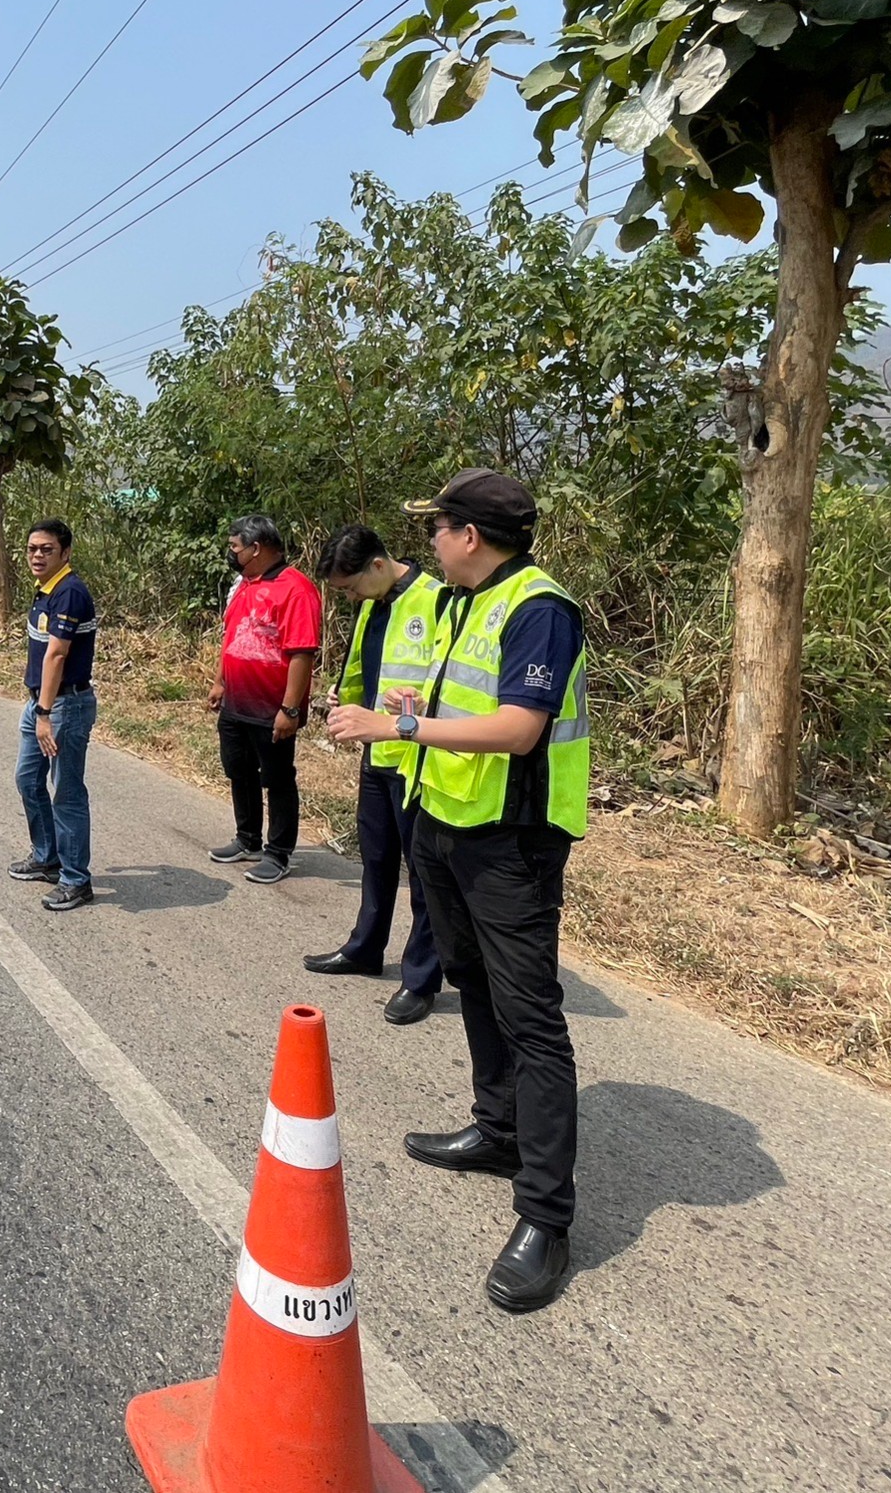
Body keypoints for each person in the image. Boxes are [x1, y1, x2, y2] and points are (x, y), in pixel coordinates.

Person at [325, 469, 588, 1314]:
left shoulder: (539, 607)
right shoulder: (458, 601)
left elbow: (519, 727)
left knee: (531, 1016)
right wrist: (418, 703)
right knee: (471, 981)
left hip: (511, 841)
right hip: (443, 816)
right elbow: (466, 704)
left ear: (469, 534)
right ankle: (498, 1128)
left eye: (436, 527)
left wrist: (396, 723)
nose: (429, 541)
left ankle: (545, 1217)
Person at [304, 525, 445, 1026]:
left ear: (379, 565)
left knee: (423, 872)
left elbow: (445, 685)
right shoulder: (373, 603)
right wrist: (345, 699)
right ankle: (365, 948)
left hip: (419, 759)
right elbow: (365, 669)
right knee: (377, 858)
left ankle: (420, 979)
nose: (350, 597)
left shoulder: (438, 600)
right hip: (376, 754)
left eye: (351, 586)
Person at [206, 515, 320, 885]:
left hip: (272, 707)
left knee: (277, 778)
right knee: (237, 769)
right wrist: (220, 682)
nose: (231, 553)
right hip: (236, 702)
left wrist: (290, 708)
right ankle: (248, 839)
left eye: (234, 547)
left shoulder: (296, 589)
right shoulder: (244, 584)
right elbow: (231, 636)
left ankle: (279, 852)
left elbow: (302, 653)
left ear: (256, 549)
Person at [9, 518, 98, 912]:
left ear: (66, 553)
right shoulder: (46, 590)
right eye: (32, 549)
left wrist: (44, 713)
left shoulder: (70, 593)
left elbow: (58, 655)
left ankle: (76, 880)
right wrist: (38, 707)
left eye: (47, 549)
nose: (37, 555)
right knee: (28, 778)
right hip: (41, 704)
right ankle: (47, 858)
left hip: (64, 707)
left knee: (67, 792)